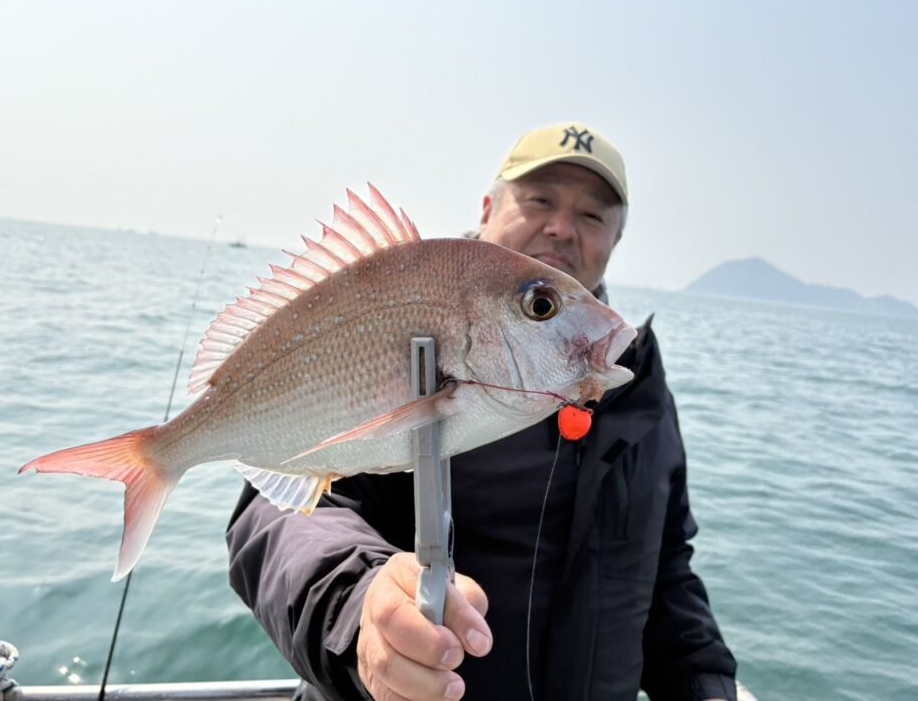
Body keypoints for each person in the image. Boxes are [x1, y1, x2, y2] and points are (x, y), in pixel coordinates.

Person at [227, 123, 738, 701]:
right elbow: (283, 515)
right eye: (540, 199)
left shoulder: (638, 382)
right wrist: (360, 606)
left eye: (593, 216)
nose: (562, 227)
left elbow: (666, 570)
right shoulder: (415, 330)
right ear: (489, 207)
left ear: (615, 241)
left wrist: (709, 686)